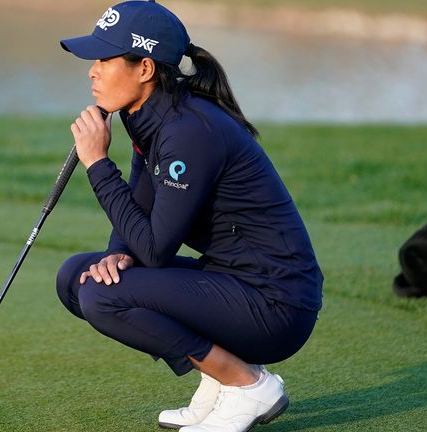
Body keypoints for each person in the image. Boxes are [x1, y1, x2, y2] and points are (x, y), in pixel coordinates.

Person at [55, 1, 323, 431]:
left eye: (105, 59)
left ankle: (245, 384)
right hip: (233, 283)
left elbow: (156, 251)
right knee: (76, 277)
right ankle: (220, 381)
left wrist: (98, 165)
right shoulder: (151, 117)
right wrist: (118, 253)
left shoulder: (188, 131)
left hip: (276, 305)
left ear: (145, 68)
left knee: (102, 297)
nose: (93, 71)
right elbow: (141, 207)